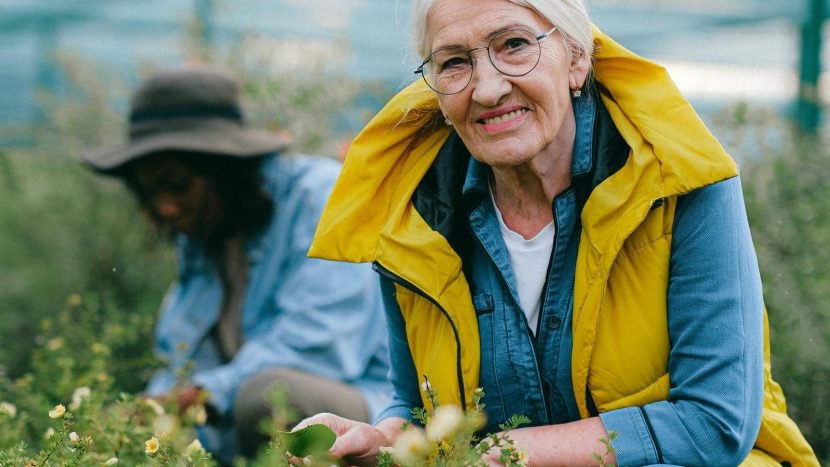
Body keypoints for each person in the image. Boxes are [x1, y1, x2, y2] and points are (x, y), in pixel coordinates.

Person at [298, 0, 820, 465]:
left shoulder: (680, 184)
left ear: (576, 59)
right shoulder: (411, 218)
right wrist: (381, 441)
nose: (488, 87)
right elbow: (419, 408)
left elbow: (716, 424)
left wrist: (520, 451)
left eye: (515, 45)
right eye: (455, 62)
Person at [84, 65, 391, 464]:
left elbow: (317, 346)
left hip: (368, 413)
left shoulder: (321, 196)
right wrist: (137, 413)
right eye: (149, 192)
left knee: (270, 396)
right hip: (256, 423)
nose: (165, 208)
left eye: (177, 185)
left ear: (224, 168)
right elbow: (186, 361)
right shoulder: (205, 235)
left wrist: (194, 399)